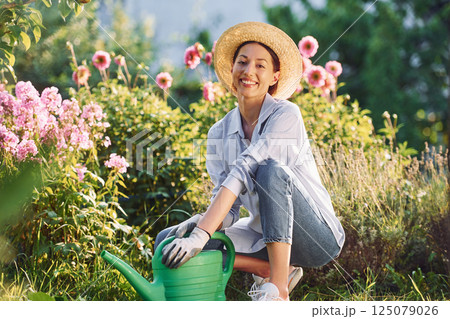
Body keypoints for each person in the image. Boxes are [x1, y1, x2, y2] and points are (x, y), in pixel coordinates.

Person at [156, 21, 345, 301]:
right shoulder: (218, 133)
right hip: (264, 236)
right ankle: (269, 268)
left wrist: (202, 233)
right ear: (232, 70)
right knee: (168, 240)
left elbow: (247, 168)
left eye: (260, 66)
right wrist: (202, 224)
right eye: (242, 62)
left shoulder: (286, 116)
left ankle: (278, 290)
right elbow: (230, 209)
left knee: (269, 171)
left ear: (274, 77)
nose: (249, 71)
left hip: (316, 238)